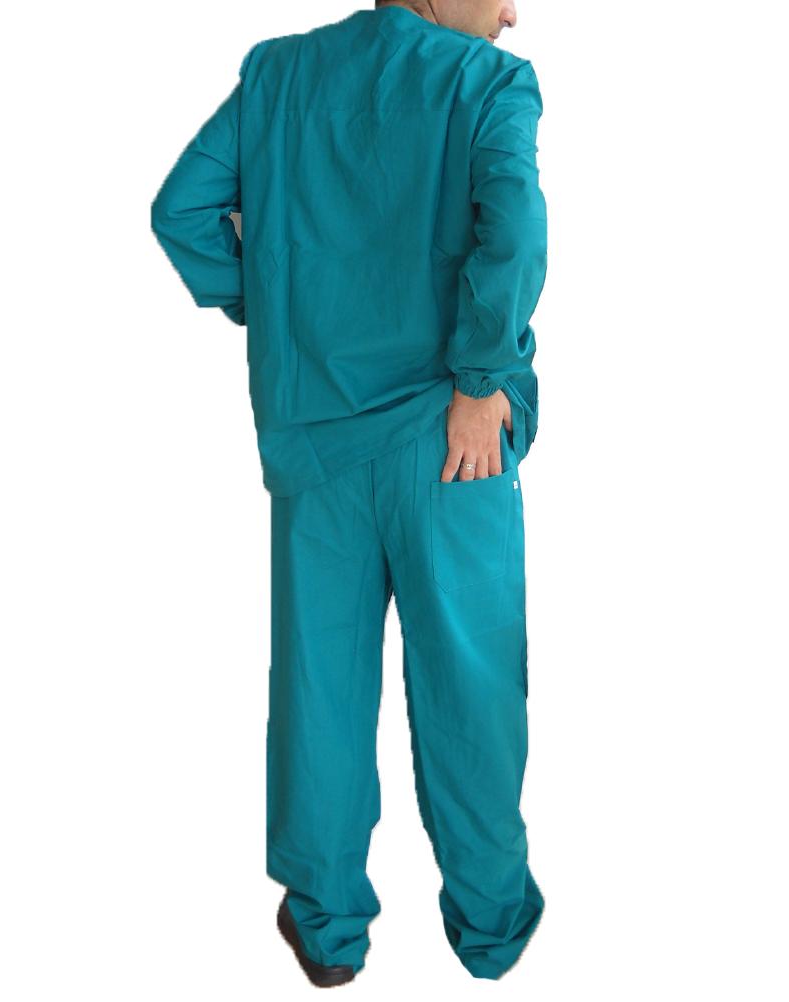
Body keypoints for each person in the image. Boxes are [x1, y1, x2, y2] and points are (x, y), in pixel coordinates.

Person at [150, 0, 547, 986]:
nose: (512, 13)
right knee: (471, 688)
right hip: (450, 443)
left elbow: (181, 211)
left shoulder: (277, 78)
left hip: (315, 442)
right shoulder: (488, 84)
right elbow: (514, 227)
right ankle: (492, 925)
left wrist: (274, 300)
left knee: (318, 690)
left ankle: (327, 930)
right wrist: (481, 379)